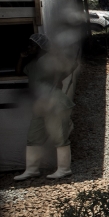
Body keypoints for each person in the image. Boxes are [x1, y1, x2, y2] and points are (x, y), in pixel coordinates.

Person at [13, 34, 74, 181]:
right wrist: (22, 57)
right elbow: (19, 72)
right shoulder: (34, 63)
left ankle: (64, 169)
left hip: (56, 104)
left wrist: (59, 79)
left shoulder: (50, 60)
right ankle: (32, 169)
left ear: (40, 47)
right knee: (33, 137)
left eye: (32, 45)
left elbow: (72, 64)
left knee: (60, 137)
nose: (29, 48)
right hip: (40, 104)